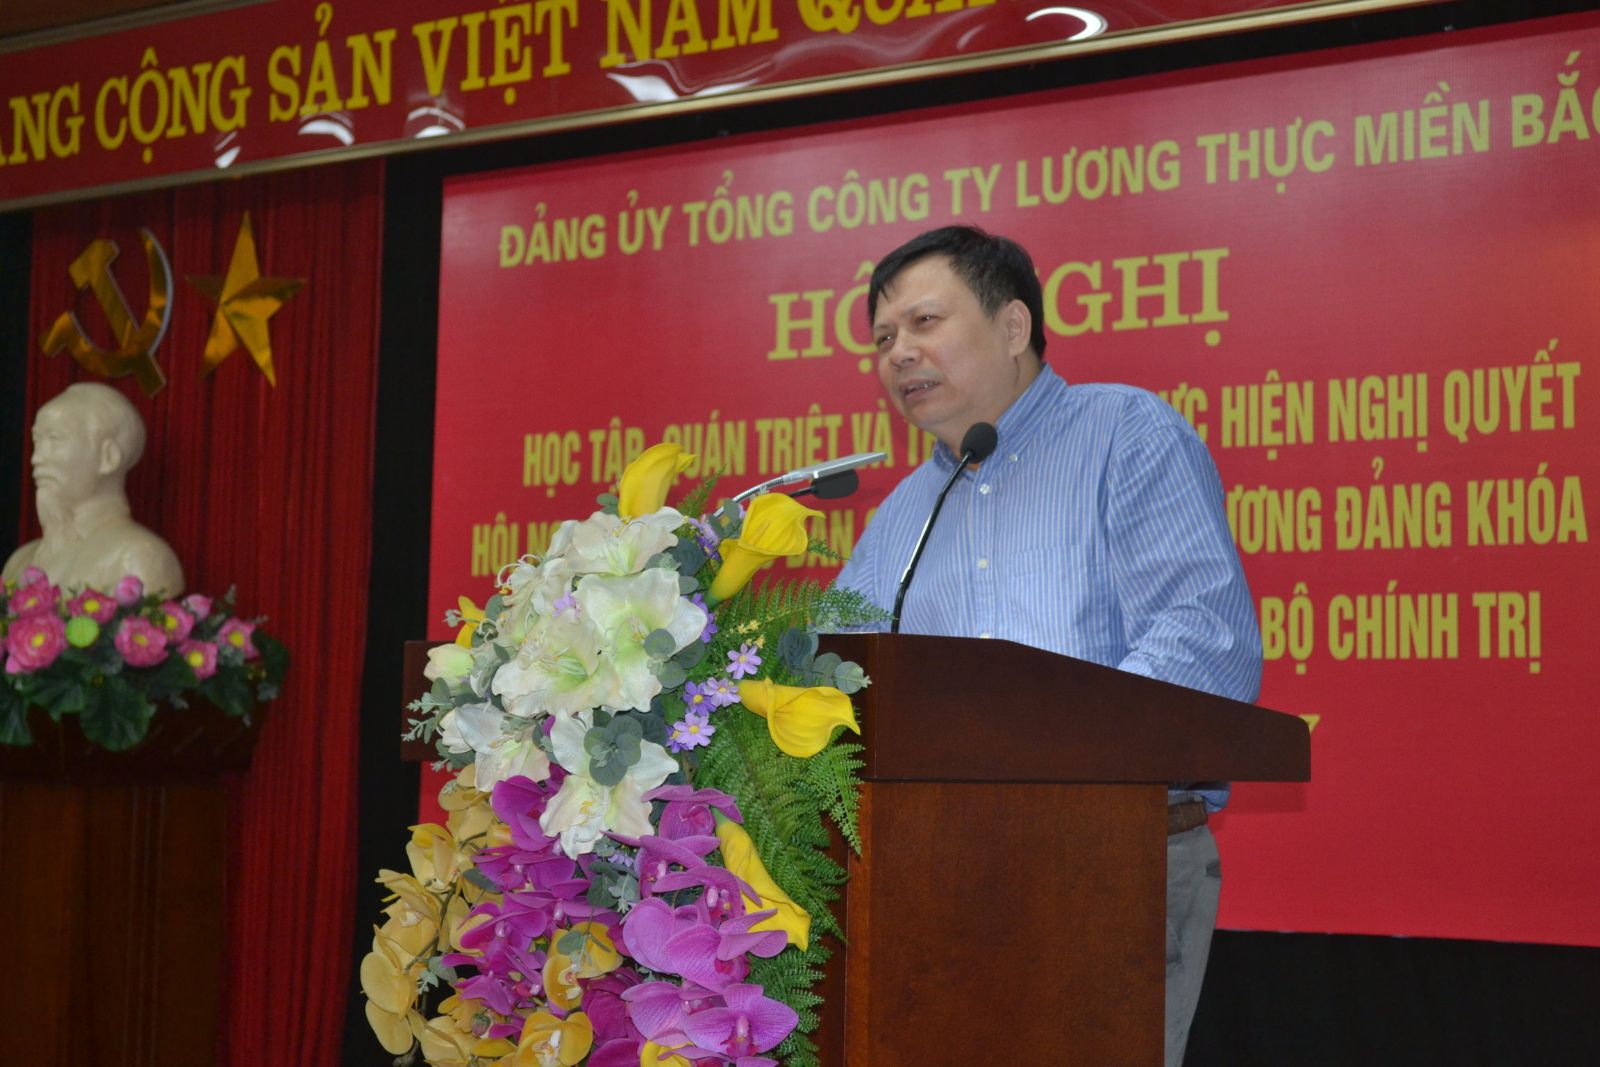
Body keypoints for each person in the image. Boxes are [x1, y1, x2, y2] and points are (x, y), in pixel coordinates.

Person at [834, 226, 1262, 1067]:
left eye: (924, 322)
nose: (898, 353)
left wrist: (1032, 755)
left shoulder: (1126, 433)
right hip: (937, 877)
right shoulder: (902, 515)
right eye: (882, 339)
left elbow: (1201, 639)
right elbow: (838, 682)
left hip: (1109, 863)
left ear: (1013, 325)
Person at [3, 382, 184, 597]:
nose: (36, 458)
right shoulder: (20, 562)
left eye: (55, 439)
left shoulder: (139, 557)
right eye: (36, 441)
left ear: (109, 457)